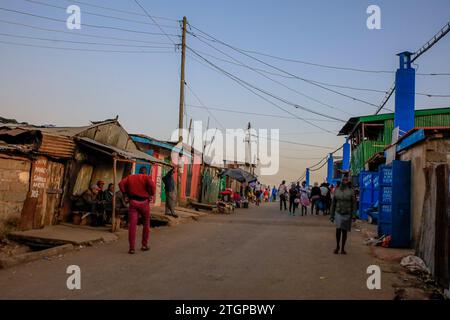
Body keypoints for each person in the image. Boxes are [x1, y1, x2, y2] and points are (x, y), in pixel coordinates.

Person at [119, 167, 155, 254]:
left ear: (139, 171)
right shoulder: (147, 177)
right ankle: (144, 245)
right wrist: (151, 194)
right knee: (146, 224)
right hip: (144, 203)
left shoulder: (131, 177)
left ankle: (132, 248)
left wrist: (125, 194)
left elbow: (120, 184)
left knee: (132, 225)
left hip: (133, 203)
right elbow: (153, 186)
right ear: (145, 172)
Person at [330, 175, 356, 255]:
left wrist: (354, 215)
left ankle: (342, 248)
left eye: (346, 180)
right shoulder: (336, 190)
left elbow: (354, 204)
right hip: (338, 212)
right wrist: (332, 215)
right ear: (341, 181)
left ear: (348, 181)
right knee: (338, 229)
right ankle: (337, 246)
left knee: (344, 231)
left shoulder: (351, 191)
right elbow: (333, 203)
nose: (344, 181)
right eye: (343, 180)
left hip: (347, 213)